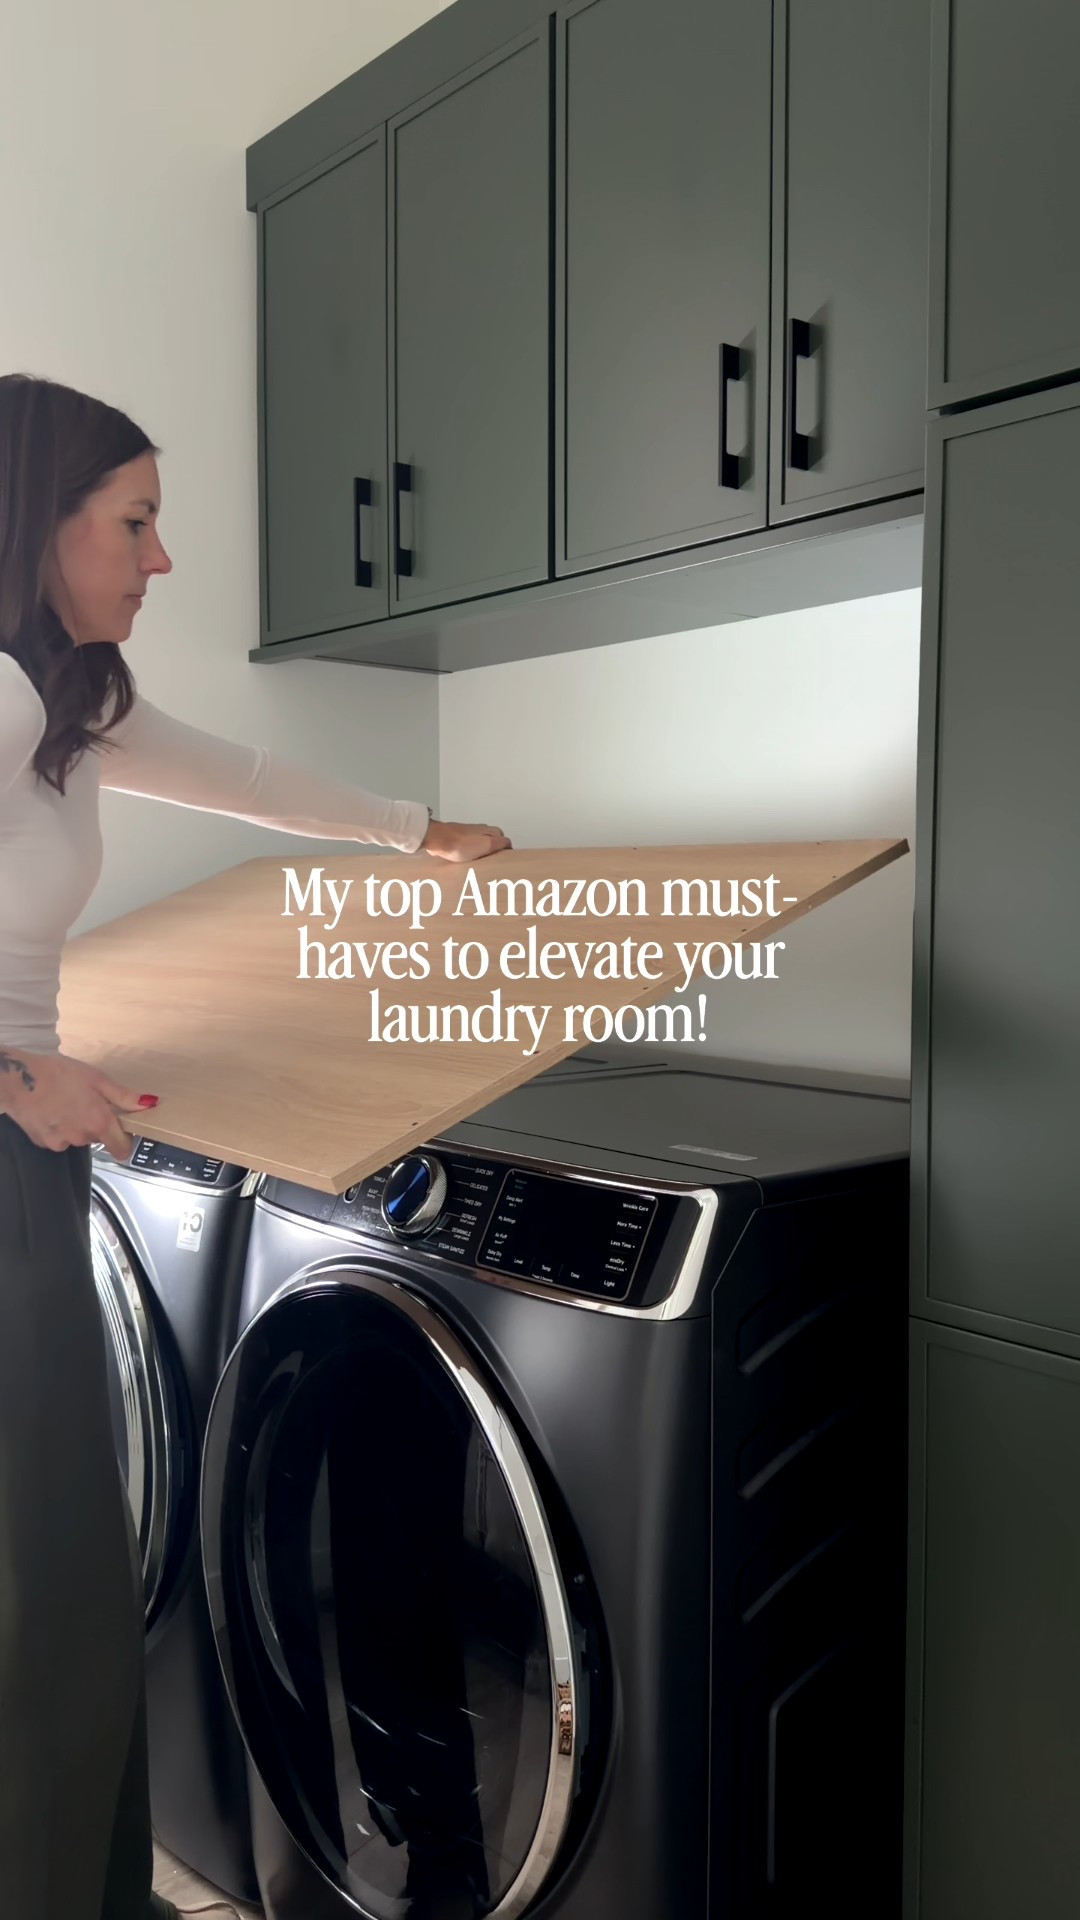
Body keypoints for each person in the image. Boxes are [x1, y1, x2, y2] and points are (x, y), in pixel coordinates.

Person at [0, 372, 511, 1920]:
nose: (162, 560)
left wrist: (416, 827)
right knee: (35, 1588)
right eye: (137, 522)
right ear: (38, 527)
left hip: (30, 1158)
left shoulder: (74, 696)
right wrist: (17, 1078)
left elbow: (248, 779)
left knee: (68, 1576)